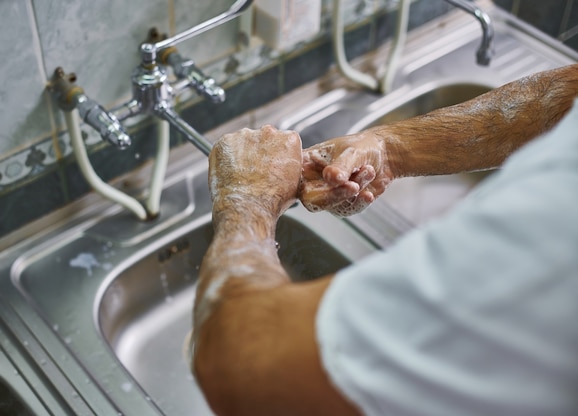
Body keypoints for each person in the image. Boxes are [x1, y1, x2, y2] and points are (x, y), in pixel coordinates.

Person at [191, 63, 578, 415]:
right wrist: (389, 148)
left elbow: (243, 368)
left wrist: (248, 199)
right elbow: (568, 93)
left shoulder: (552, 237)